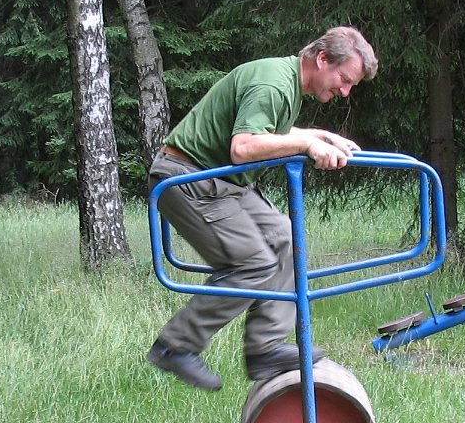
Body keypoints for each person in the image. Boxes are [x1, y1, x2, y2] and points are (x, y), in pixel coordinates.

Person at [147, 26, 378, 390]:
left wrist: (316, 135)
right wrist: (306, 145)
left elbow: (268, 129)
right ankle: (175, 346)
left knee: (285, 237)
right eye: (344, 79)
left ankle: (265, 349)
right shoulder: (272, 83)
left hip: (224, 182)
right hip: (188, 176)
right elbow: (244, 147)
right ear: (321, 60)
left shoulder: (286, 81)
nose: (345, 91)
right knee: (252, 263)